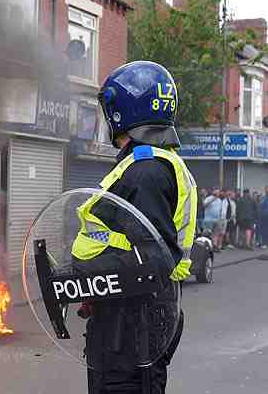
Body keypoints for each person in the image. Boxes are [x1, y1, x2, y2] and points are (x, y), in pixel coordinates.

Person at [71, 61, 197, 394]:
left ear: (122, 112)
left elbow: (151, 263)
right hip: (126, 325)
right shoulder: (150, 164)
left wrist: (84, 280)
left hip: (130, 333)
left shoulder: (145, 172)